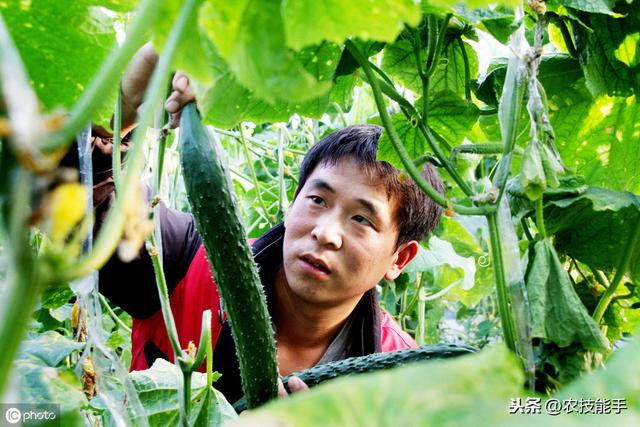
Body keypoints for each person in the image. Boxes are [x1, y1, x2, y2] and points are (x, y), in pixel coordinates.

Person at [92, 44, 445, 403]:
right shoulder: (183, 259)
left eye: (360, 219)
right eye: (317, 200)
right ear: (292, 204)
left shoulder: (399, 382)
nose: (325, 233)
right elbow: (72, 184)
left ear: (399, 258)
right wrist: (121, 108)